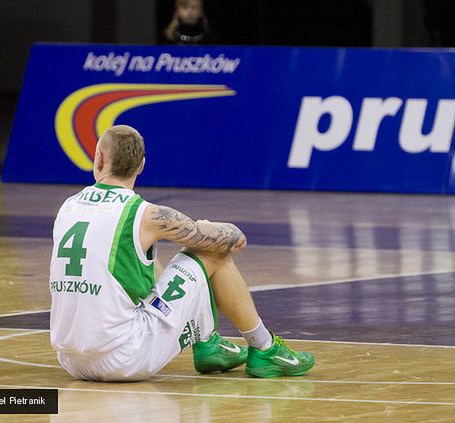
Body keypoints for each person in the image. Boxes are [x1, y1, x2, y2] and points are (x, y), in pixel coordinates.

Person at [49, 125, 315, 381]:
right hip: (124, 358)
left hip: (71, 360)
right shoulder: (146, 214)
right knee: (213, 253)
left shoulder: (68, 207)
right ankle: (264, 347)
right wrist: (223, 230)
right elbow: (223, 238)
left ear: (98, 159)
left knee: (142, 258)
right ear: (141, 165)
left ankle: (208, 342)